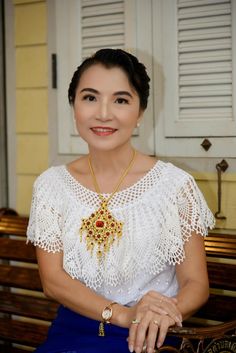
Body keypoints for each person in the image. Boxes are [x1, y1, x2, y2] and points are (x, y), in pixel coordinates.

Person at [27, 48, 215, 353]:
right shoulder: (51, 186)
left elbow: (196, 284)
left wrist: (158, 314)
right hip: (75, 331)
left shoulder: (175, 186)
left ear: (140, 112)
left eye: (121, 100)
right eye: (90, 97)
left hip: (152, 335)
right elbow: (53, 281)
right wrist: (124, 314)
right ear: (73, 105)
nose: (103, 113)